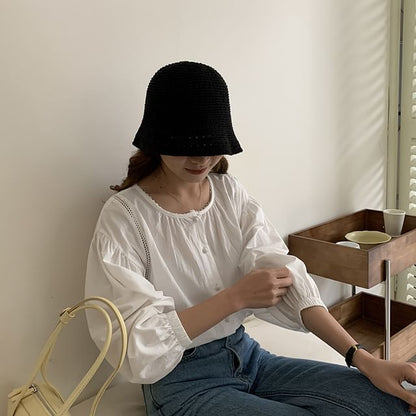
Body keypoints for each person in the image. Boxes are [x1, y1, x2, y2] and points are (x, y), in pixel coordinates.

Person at [85, 61, 416, 415]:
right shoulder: (126, 215)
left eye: (211, 145)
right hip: (180, 382)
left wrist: (363, 359)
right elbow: (134, 340)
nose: (202, 158)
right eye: (185, 146)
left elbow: (288, 279)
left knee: (387, 402)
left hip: (247, 356)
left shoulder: (228, 193)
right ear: (157, 140)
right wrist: (235, 298)